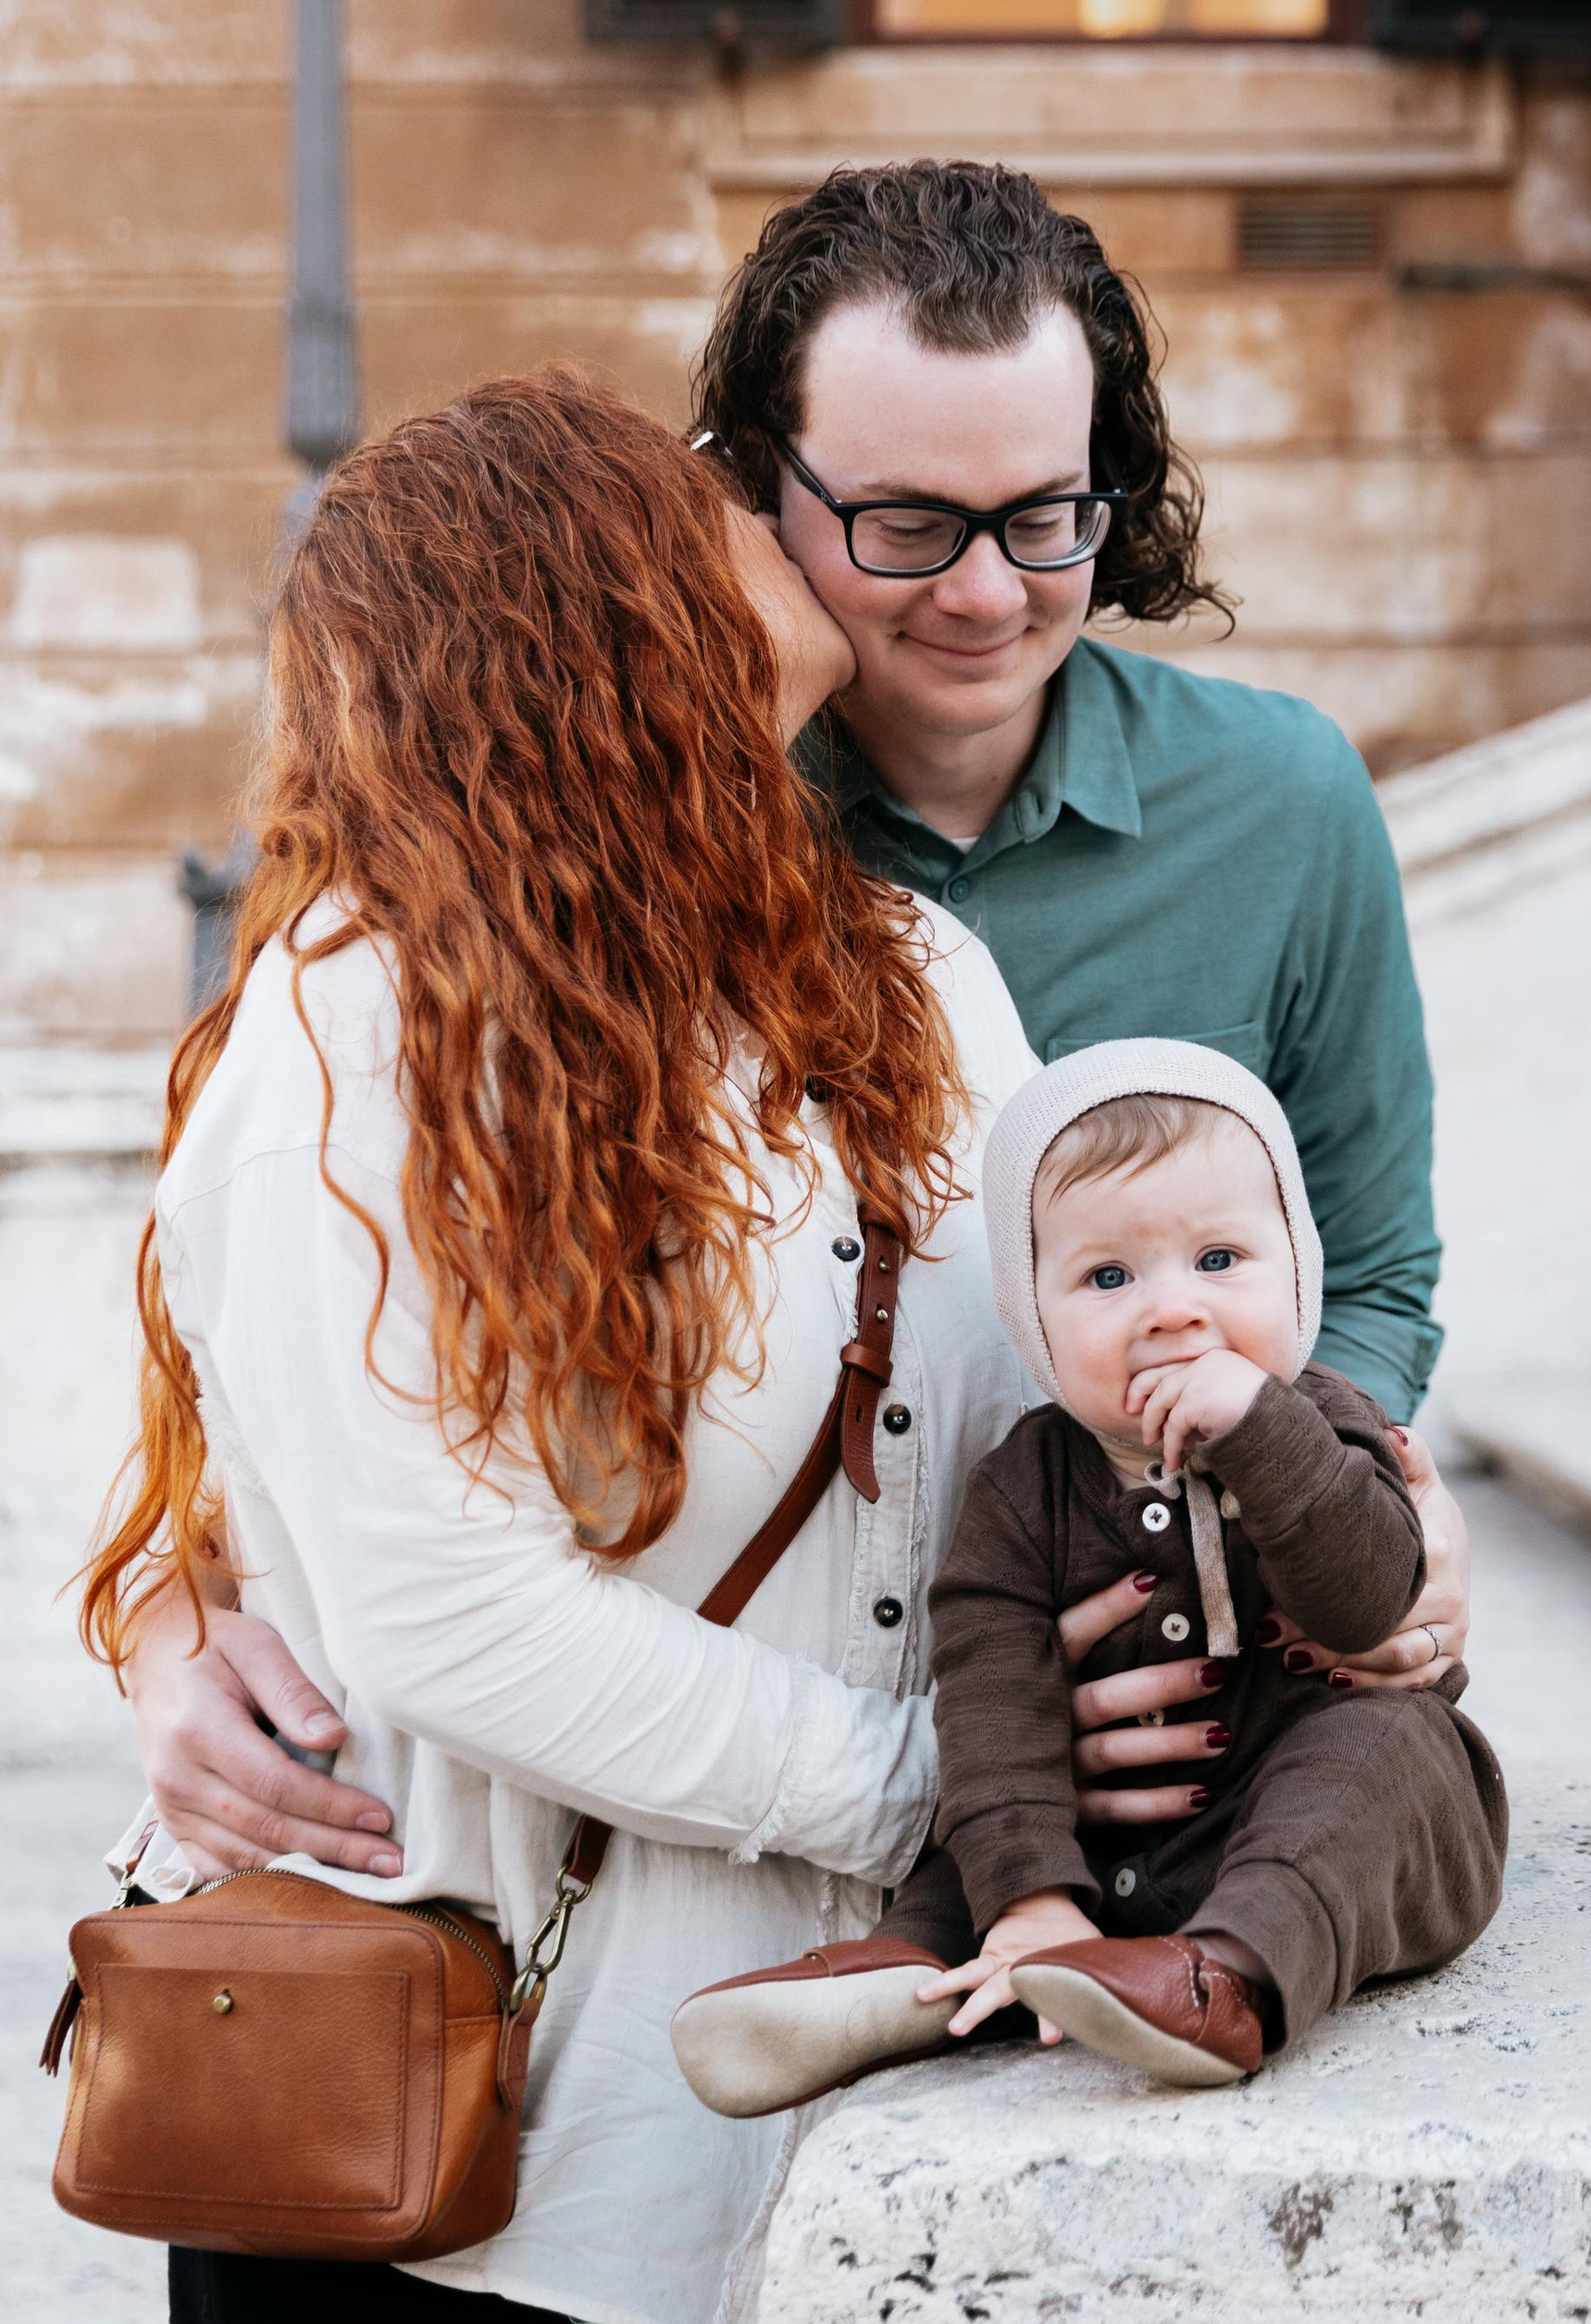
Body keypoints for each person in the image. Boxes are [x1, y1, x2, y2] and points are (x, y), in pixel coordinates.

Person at [118, 156, 1470, 1895]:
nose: (988, 595)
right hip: (685, 1867)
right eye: (908, 526)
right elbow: (299, 1335)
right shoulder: (562, 867)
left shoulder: (1259, 815)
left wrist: (1337, 1527)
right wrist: (159, 1604)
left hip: (1068, 1729)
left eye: (1045, 514)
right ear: (751, 498)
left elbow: (1364, 1269)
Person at [78, 372, 1041, 2324]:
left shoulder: (906, 982)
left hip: (861, 2173)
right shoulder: (354, 1026)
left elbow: (1046, 1412)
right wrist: (938, 1802)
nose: (755, 541)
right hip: (456, 2204)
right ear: (574, 610)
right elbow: (439, 1610)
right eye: (680, 509)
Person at [670, 1043, 1506, 2119]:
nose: (1170, 1311)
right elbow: (994, 1693)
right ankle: (905, 1976)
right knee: (993, 1794)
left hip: (1319, 1824)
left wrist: (1259, 1429)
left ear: (1296, 1271)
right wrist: (1027, 1898)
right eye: (1108, 1278)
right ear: (1033, 1318)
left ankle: (1231, 1982)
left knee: (1381, 1749)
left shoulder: (1326, 1423)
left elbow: (1364, 1602)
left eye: (1219, 1260)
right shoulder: (1023, 1486)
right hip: (1115, 1850)